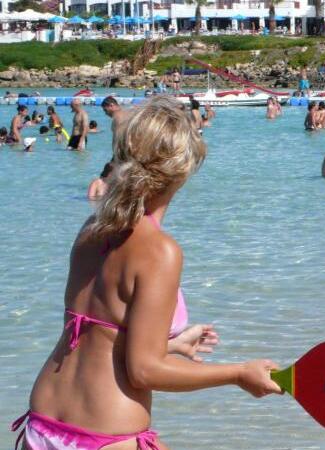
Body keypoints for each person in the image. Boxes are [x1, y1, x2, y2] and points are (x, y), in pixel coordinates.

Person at [11, 97, 281, 450]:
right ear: (182, 172)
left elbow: (100, 335)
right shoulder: (161, 251)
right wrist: (239, 373)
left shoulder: (91, 229)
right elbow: (143, 371)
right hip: (105, 434)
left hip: (43, 423)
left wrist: (172, 345)